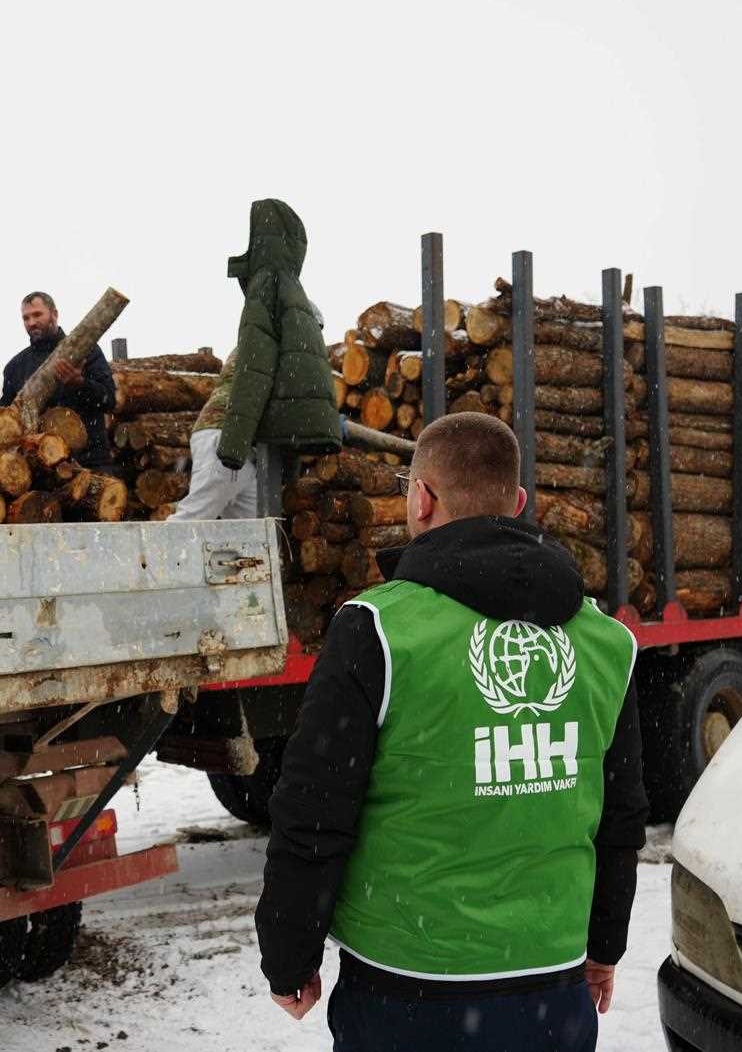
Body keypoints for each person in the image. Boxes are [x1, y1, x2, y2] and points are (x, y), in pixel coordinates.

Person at [255, 412, 648, 1052]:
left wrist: (290, 954)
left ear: (420, 499)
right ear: (518, 504)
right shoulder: (606, 642)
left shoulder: (378, 630)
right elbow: (620, 813)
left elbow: (314, 810)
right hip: (549, 987)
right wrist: (603, 945)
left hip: (406, 991)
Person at [168, 198, 341, 521]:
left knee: (254, 534)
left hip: (240, 445)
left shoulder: (277, 339)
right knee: (191, 520)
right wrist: (231, 448)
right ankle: (147, 567)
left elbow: (280, 411)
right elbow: (253, 385)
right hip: (225, 436)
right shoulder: (270, 337)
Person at [0, 291, 116, 467]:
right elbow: (6, 418)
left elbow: (109, 400)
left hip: (90, 463)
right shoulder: (15, 367)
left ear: (54, 314)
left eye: (38, 315)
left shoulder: (87, 351)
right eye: (26, 318)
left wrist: (81, 384)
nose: (31, 322)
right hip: (41, 469)